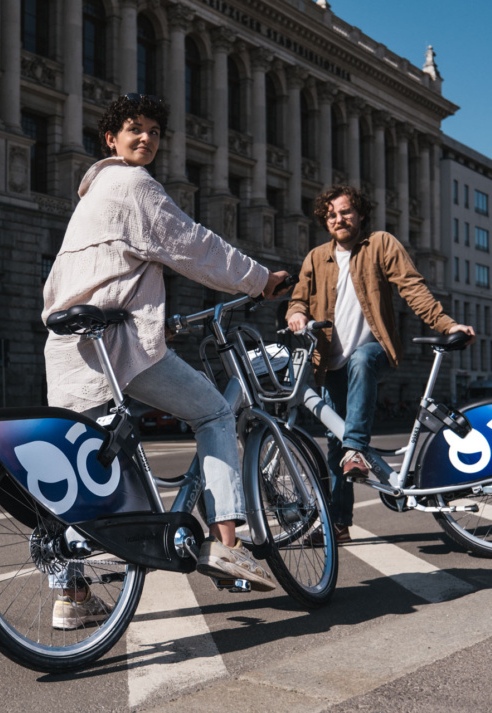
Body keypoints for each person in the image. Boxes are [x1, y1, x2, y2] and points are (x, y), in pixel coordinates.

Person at [42, 94, 292, 629]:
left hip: (68, 346)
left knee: (80, 465)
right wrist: (259, 279)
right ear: (110, 139)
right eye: (135, 129)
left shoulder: (86, 201)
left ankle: (71, 595)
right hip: (118, 345)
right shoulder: (134, 186)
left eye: (155, 131)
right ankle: (229, 543)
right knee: (214, 413)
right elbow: (193, 245)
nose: (147, 139)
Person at [286, 185, 476, 544]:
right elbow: (298, 299)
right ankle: (338, 524)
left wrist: (447, 324)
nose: (338, 219)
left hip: (375, 350)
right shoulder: (315, 258)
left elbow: (412, 288)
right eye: (330, 215)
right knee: (333, 443)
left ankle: (356, 450)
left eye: (345, 212)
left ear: (359, 214)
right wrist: (296, 313)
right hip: (329, 363)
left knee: (359, 374)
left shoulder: (380, 244)